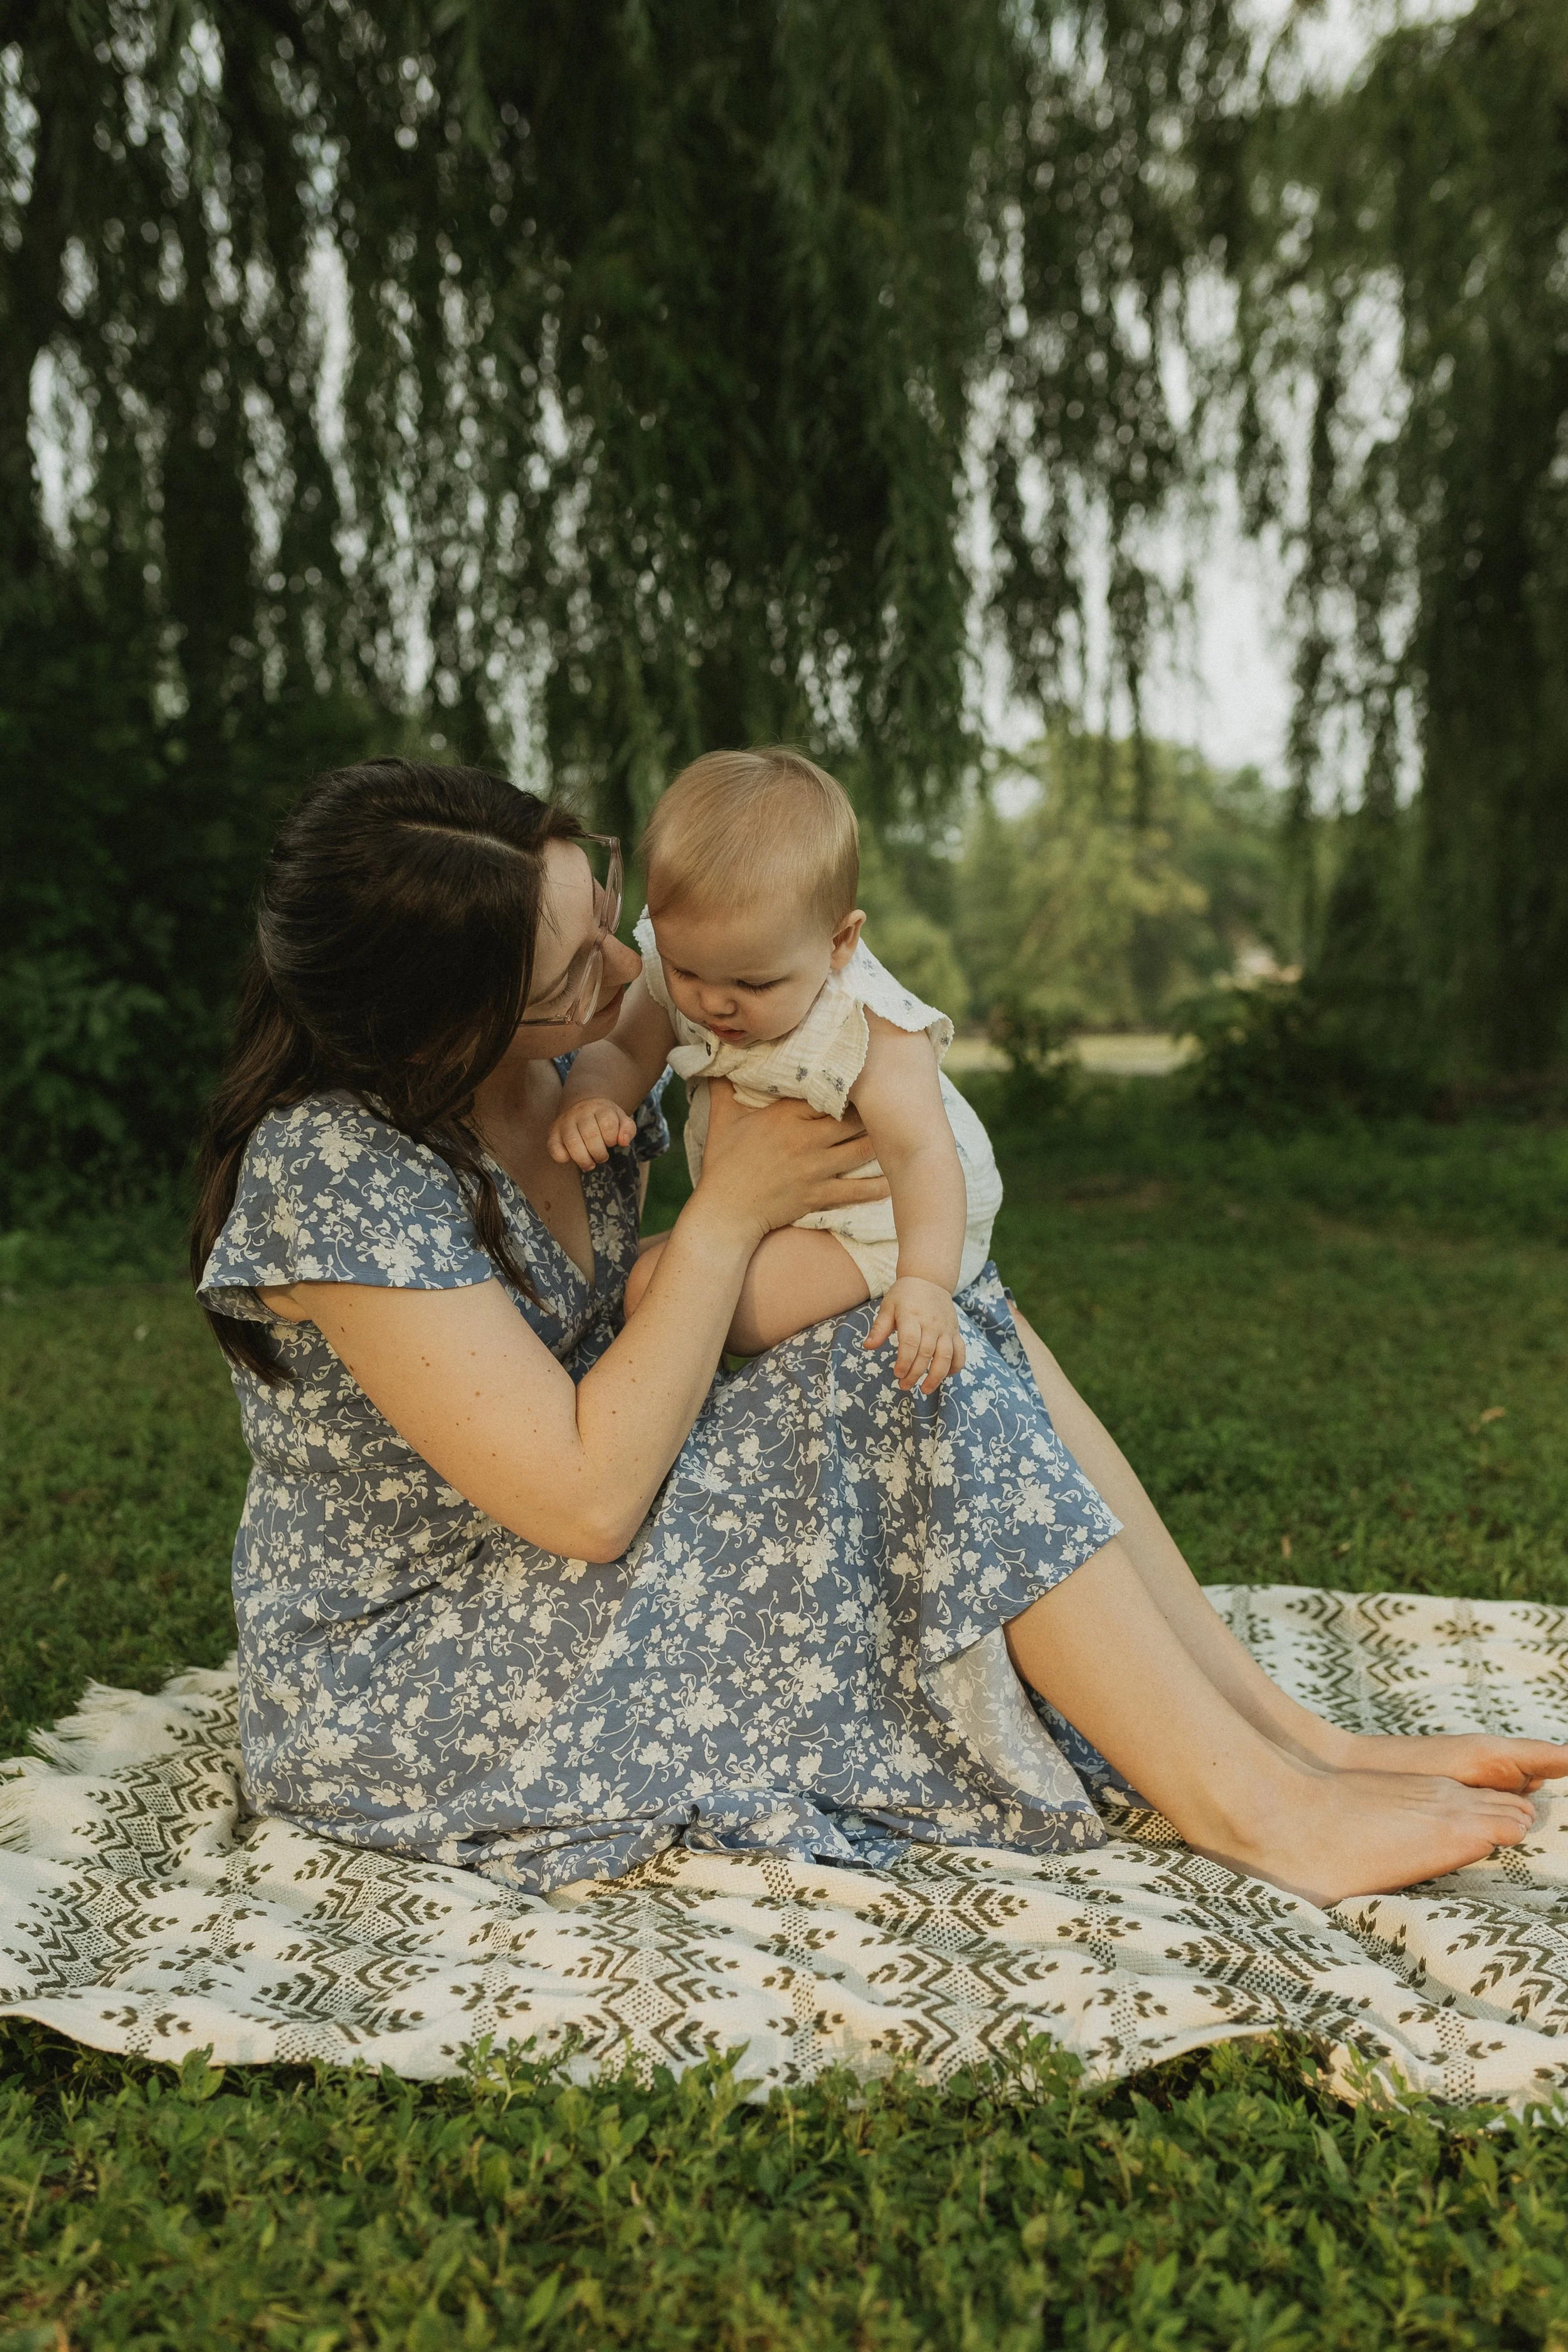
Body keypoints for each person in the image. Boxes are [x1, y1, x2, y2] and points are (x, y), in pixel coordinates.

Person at [191, 756, 1567, 1911]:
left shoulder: (560, 1070)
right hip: (431, 1679)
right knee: (906, 1372)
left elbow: (640, 1320)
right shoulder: (336, 1169)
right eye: (574, 972)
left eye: (611, 918)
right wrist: (728, 1218)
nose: (627, 972)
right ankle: (1253, 1810)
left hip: (574, 1538)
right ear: (448, 1018)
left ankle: (1288, 1739)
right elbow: (586, 1500)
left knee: (941, 1317)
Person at [547, 748, 1002, 1394]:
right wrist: (590, 1099)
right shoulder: (687, 967)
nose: (713, 1002)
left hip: (884, 1226)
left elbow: (922, 1154)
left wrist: (925, 1281)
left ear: (839, 942)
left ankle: (694, 1437)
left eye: (753, 982)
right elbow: (623, 1053)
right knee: (635, 1267)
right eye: (685, 971)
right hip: (782, 1204)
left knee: (656, 1291)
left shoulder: (869, 1027)